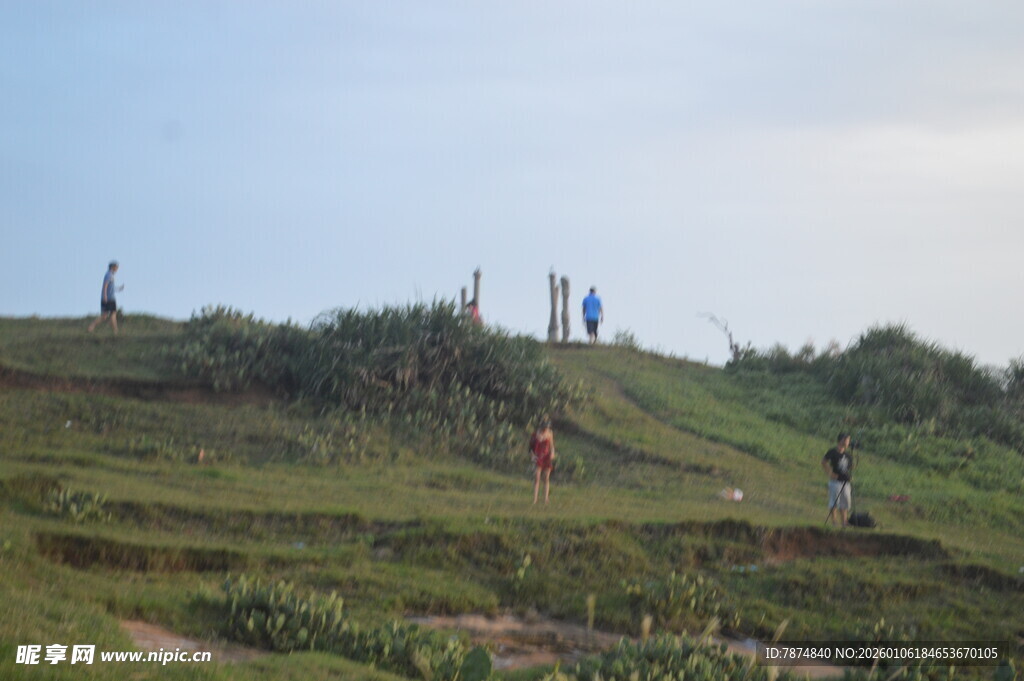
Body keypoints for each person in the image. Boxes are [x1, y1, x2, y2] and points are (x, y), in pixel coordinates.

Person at [822, 432, 854, 527]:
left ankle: (844, 521)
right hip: (836, 480)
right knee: (834, 501)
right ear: (842, 440)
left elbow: (851, 467)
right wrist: (830, 473)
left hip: (845, 480)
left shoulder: (848, 455)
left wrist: (850, 476)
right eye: (847, 440)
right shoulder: (832, 452)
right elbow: (824, 462)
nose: (848, 442)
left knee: (845, 500)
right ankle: (834, 521)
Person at [88, 260, 123, 335]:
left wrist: (118, 289)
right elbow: (105, 285)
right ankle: (115, 331)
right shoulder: (109, 275)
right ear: (113, 267)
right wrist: (105, 296)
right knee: (110, 315)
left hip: (109, 297)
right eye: (116, 267)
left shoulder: (111, 275)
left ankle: (92, 326)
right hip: (109, 298)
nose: (117, 269)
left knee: (106, 316)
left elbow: (111, 287)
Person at [530, 419, 555, 504]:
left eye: (547, 428)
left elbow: (551, 446)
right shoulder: (535, 434)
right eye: (544, 428)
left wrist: (552, 453)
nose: (545, 430)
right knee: (537, 478)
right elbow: (531, 447)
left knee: (546, 478)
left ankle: (546, 499)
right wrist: (532, 456)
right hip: (538, 457)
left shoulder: (550, 433)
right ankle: (535, 499)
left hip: (547, 457)